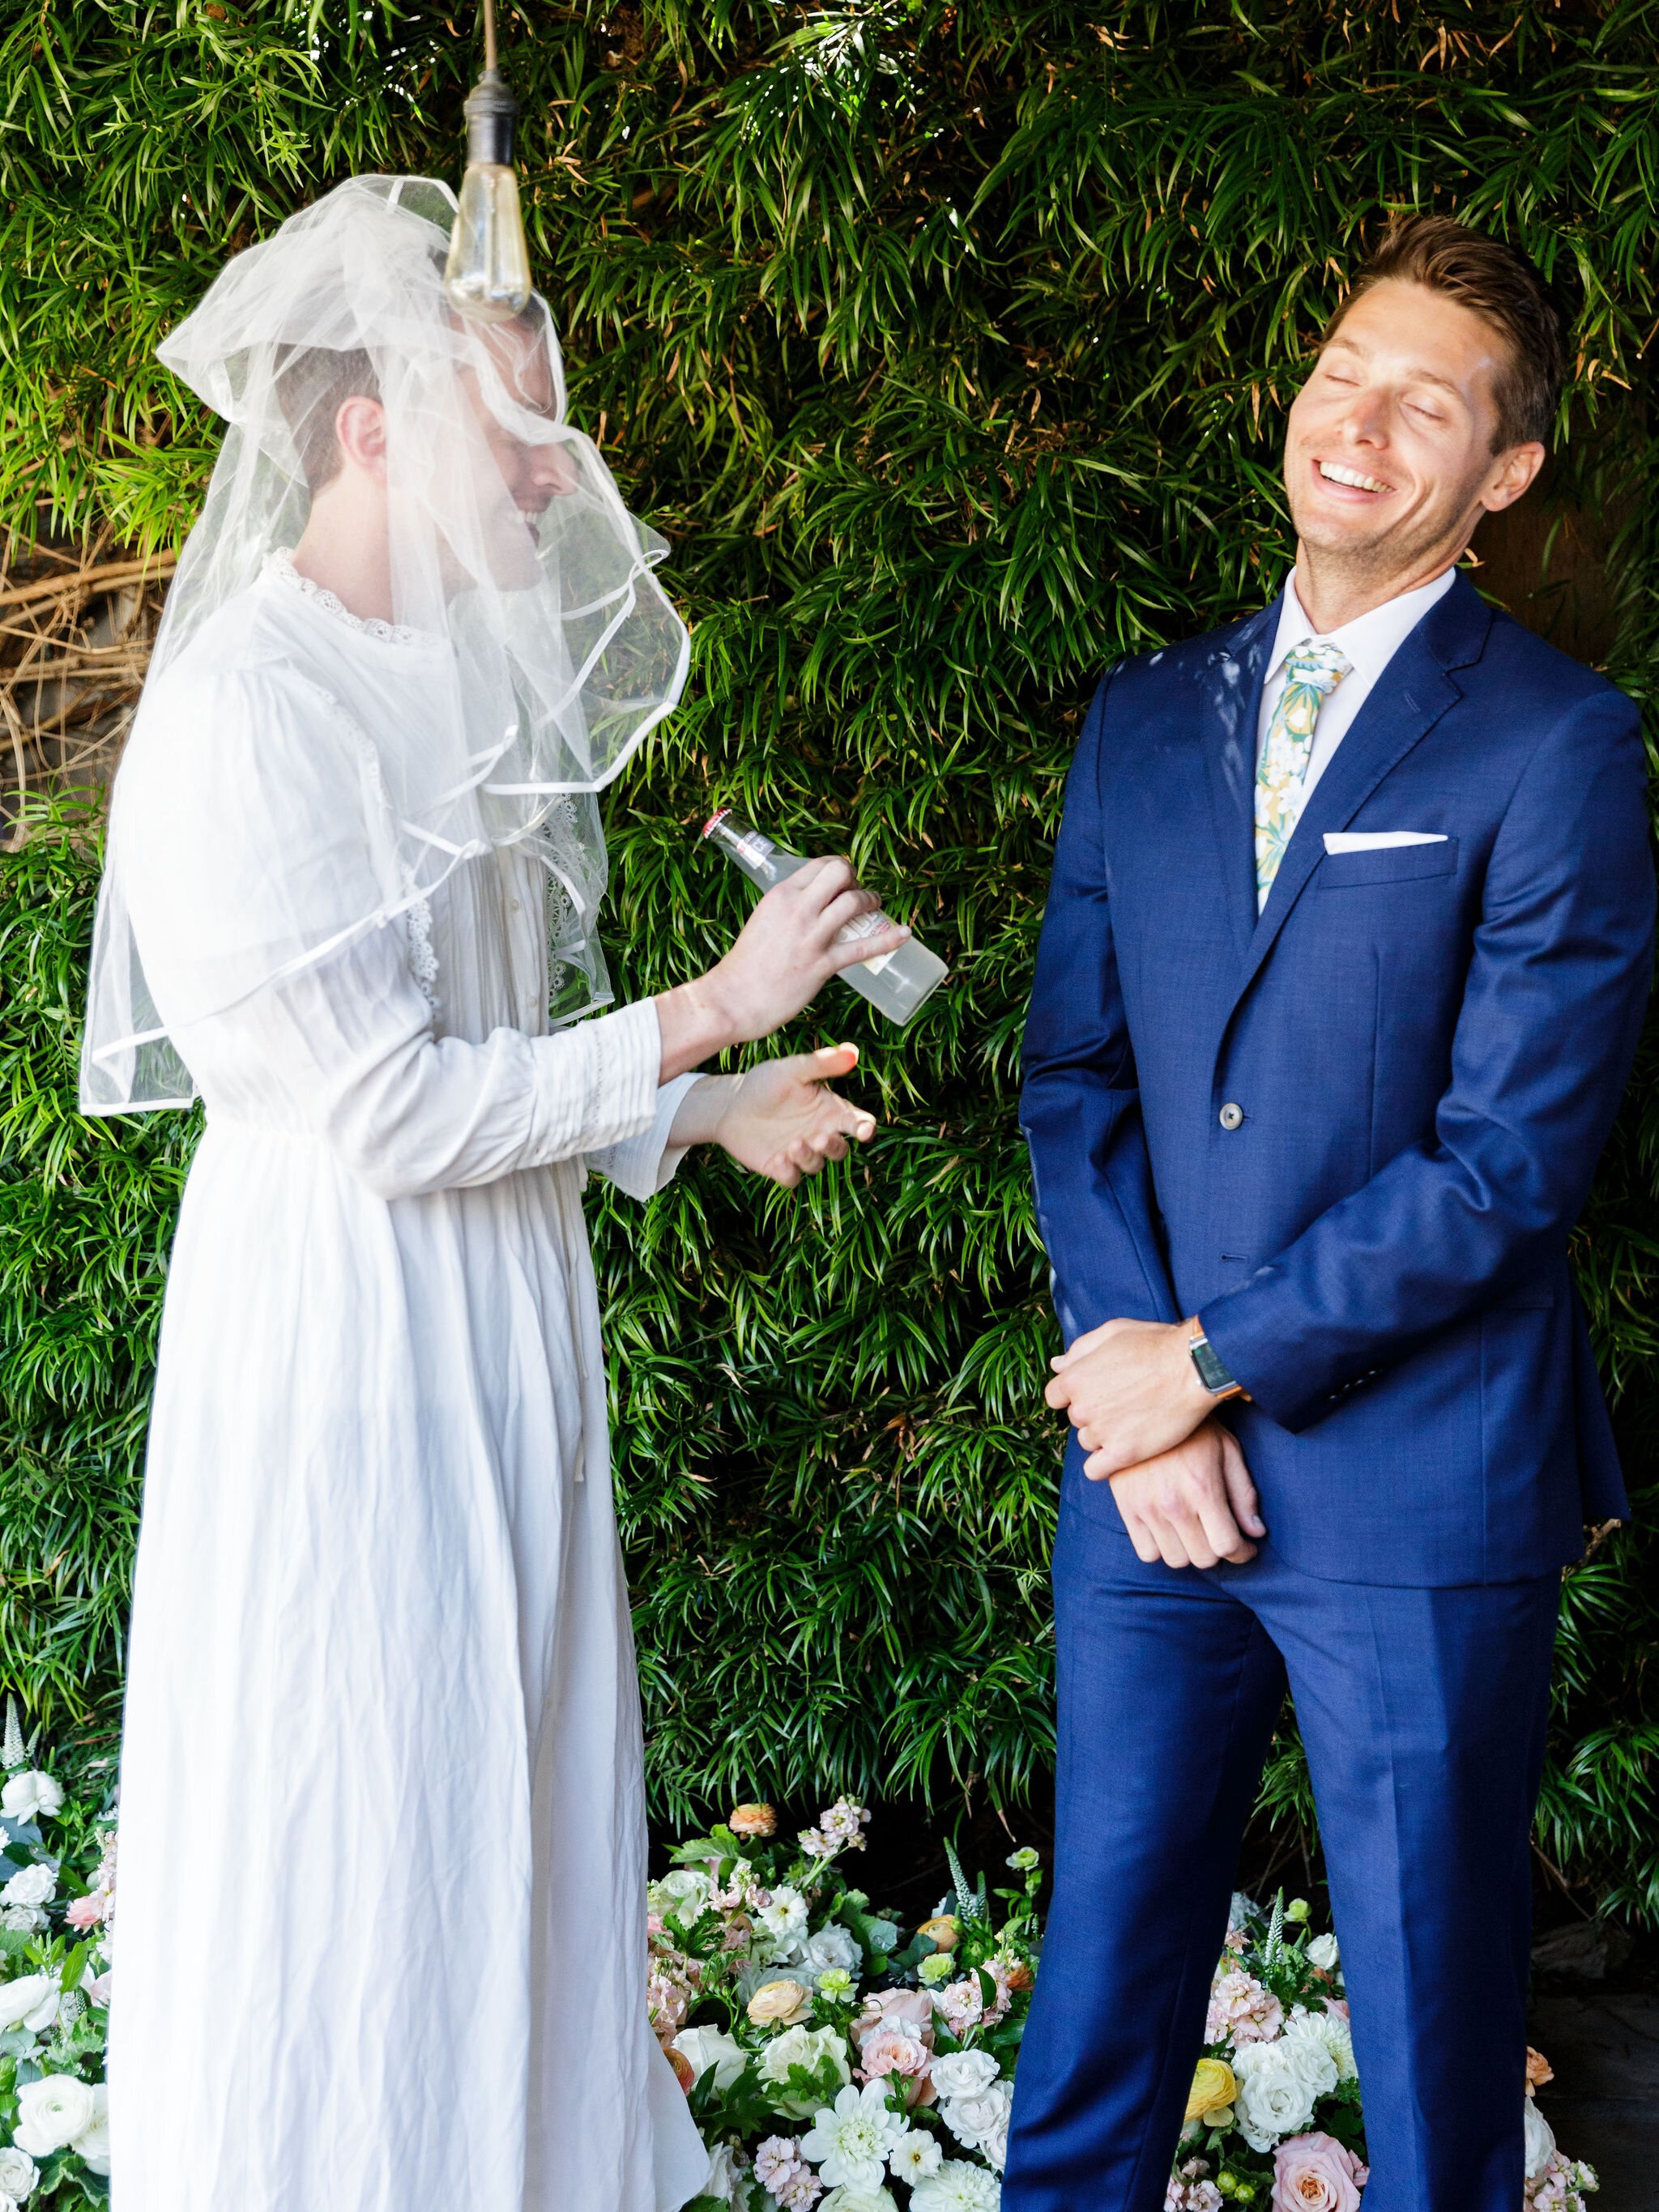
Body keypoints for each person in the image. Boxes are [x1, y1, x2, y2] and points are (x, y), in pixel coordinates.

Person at [80, 176, 908, 2212]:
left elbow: (476, 1034)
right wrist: (713, 1007)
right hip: (352, 1339)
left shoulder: (442, 680)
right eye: (525, 431)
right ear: (377, 430)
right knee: (369, 1790)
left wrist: (688, 1119)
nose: (561, 477)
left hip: (491, 1310)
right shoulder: (240, 714)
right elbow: (379, 1109)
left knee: (500, 1790)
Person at [1004, 215, 1654, 2212]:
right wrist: (1146, 1403)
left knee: (1434, 2039)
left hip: (1416, 1482)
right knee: (1097, 2004)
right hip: (1148, 1488)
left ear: (1502, 474)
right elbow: (1077, 1080)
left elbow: (1507, 1163)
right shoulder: (1139, 719)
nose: (1358, 422)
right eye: (1341, 371)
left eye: (1426, 402)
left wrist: (1208, 1365)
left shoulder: (1555, 741)